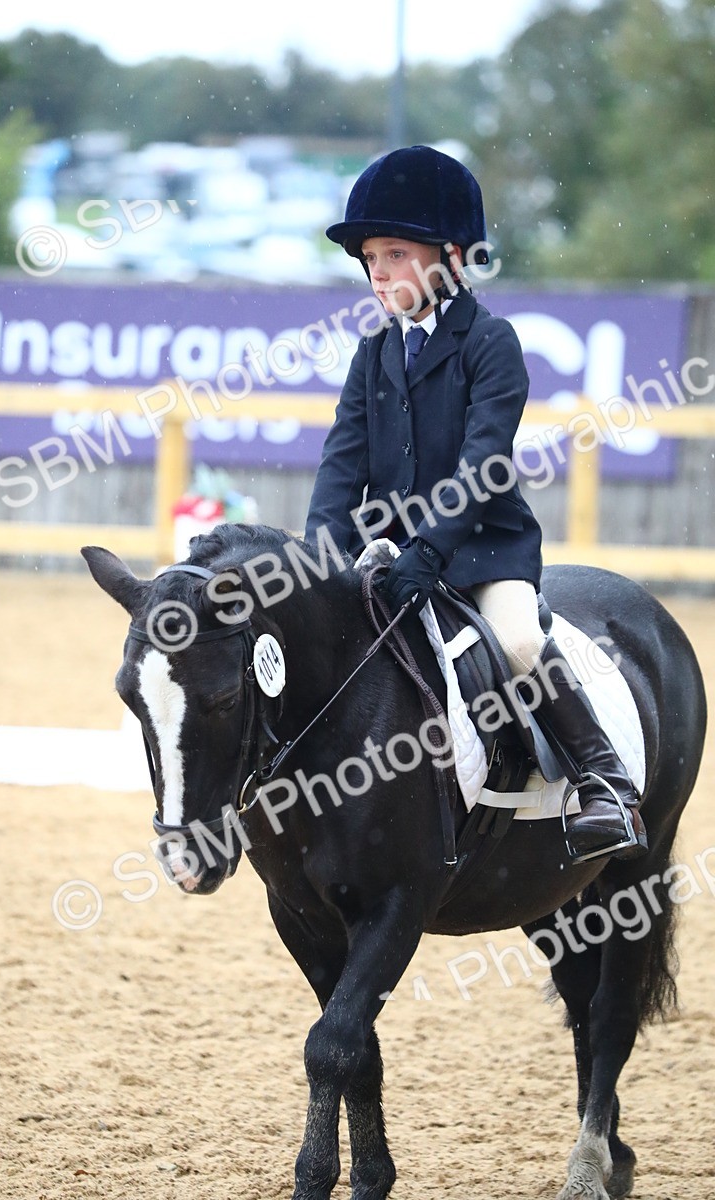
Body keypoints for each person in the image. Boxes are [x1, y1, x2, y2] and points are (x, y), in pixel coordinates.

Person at [305, 144, 647, 863]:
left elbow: (483, 462)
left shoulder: (490, 343)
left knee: (520, 642)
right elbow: (341, 468)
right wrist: (320, 560)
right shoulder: (374, 353)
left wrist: (431, 547)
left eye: (396, 254)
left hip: (482, 552)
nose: (378, 272)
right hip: (392, 556)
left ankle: (605, 781)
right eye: (370, 257)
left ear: (451, 257)